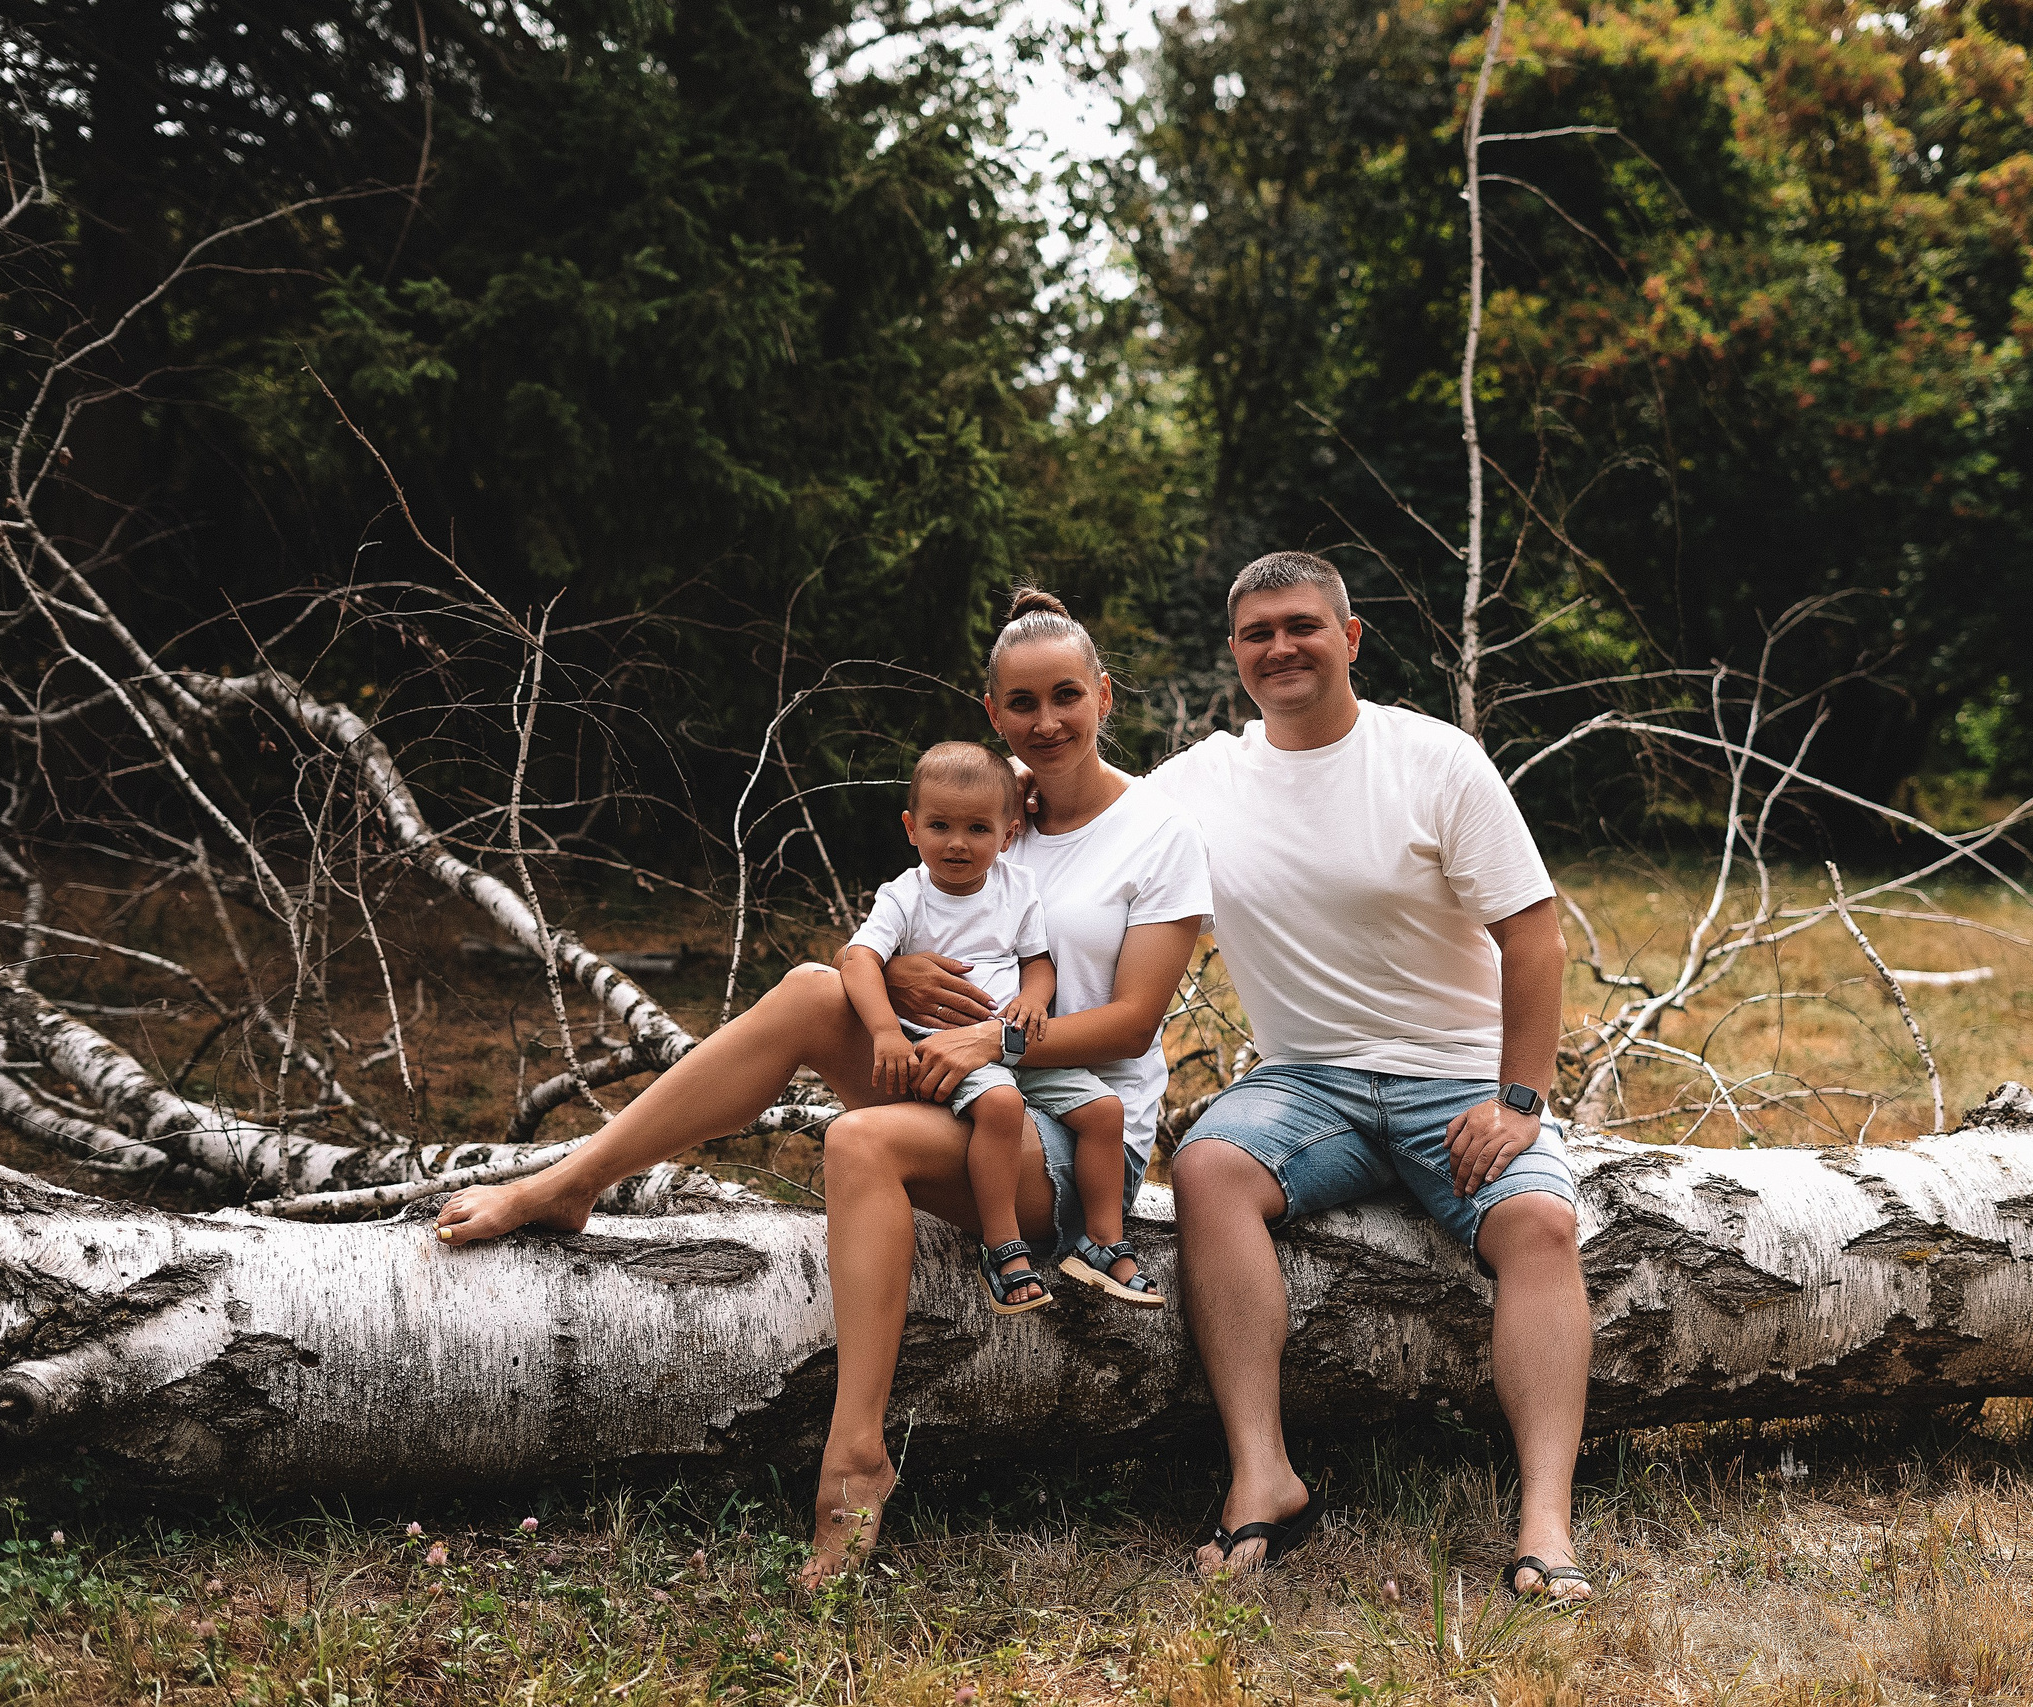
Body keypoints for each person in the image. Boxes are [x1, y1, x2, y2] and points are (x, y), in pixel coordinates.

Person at [429, 588, 1208, 1590]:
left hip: (1065, 1139)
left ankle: (854, 1460)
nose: (1046, 720)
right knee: (806, 990)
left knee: (858, 1143)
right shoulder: (979, 805)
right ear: (992, 712)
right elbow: (903, 934)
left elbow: (1134, 1023)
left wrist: (985, 1039)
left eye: (1066, 695)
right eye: (1022, 702)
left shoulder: (1155, 831)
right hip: (951, 1084)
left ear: (1104, 695)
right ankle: (572, 1181)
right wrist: (893, 985)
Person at [1144, 550, 1594, 1601]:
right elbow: (1076, 823)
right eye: (1257, 633)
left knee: (1540, 1227)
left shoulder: (1433, 761)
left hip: (1457, 1079)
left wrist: (1519, 1099)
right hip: (1308, 1085)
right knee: (1207, 1165)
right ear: (1235, 657)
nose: (1279, 647)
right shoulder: (1201, 780)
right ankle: (1264, 1475)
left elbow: (1533, 938)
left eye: (1301, 626)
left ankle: (1544, 1524)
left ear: (1349, 639)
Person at [838, 740, 1147, 1314]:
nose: (958, 843)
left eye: (978, 828)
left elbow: (1038, 961)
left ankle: (1101, 1242)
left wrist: (1034, 999)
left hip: (1014, 1045)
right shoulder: (906, 896)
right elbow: (858, 959)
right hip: (943, 1049)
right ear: (911, 828)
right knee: (1001, 1106)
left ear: (1007, 835)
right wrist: (884, 1030)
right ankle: (1002, 1244)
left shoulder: (1016, 889)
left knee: (1104, 1111)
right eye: (940, 826)